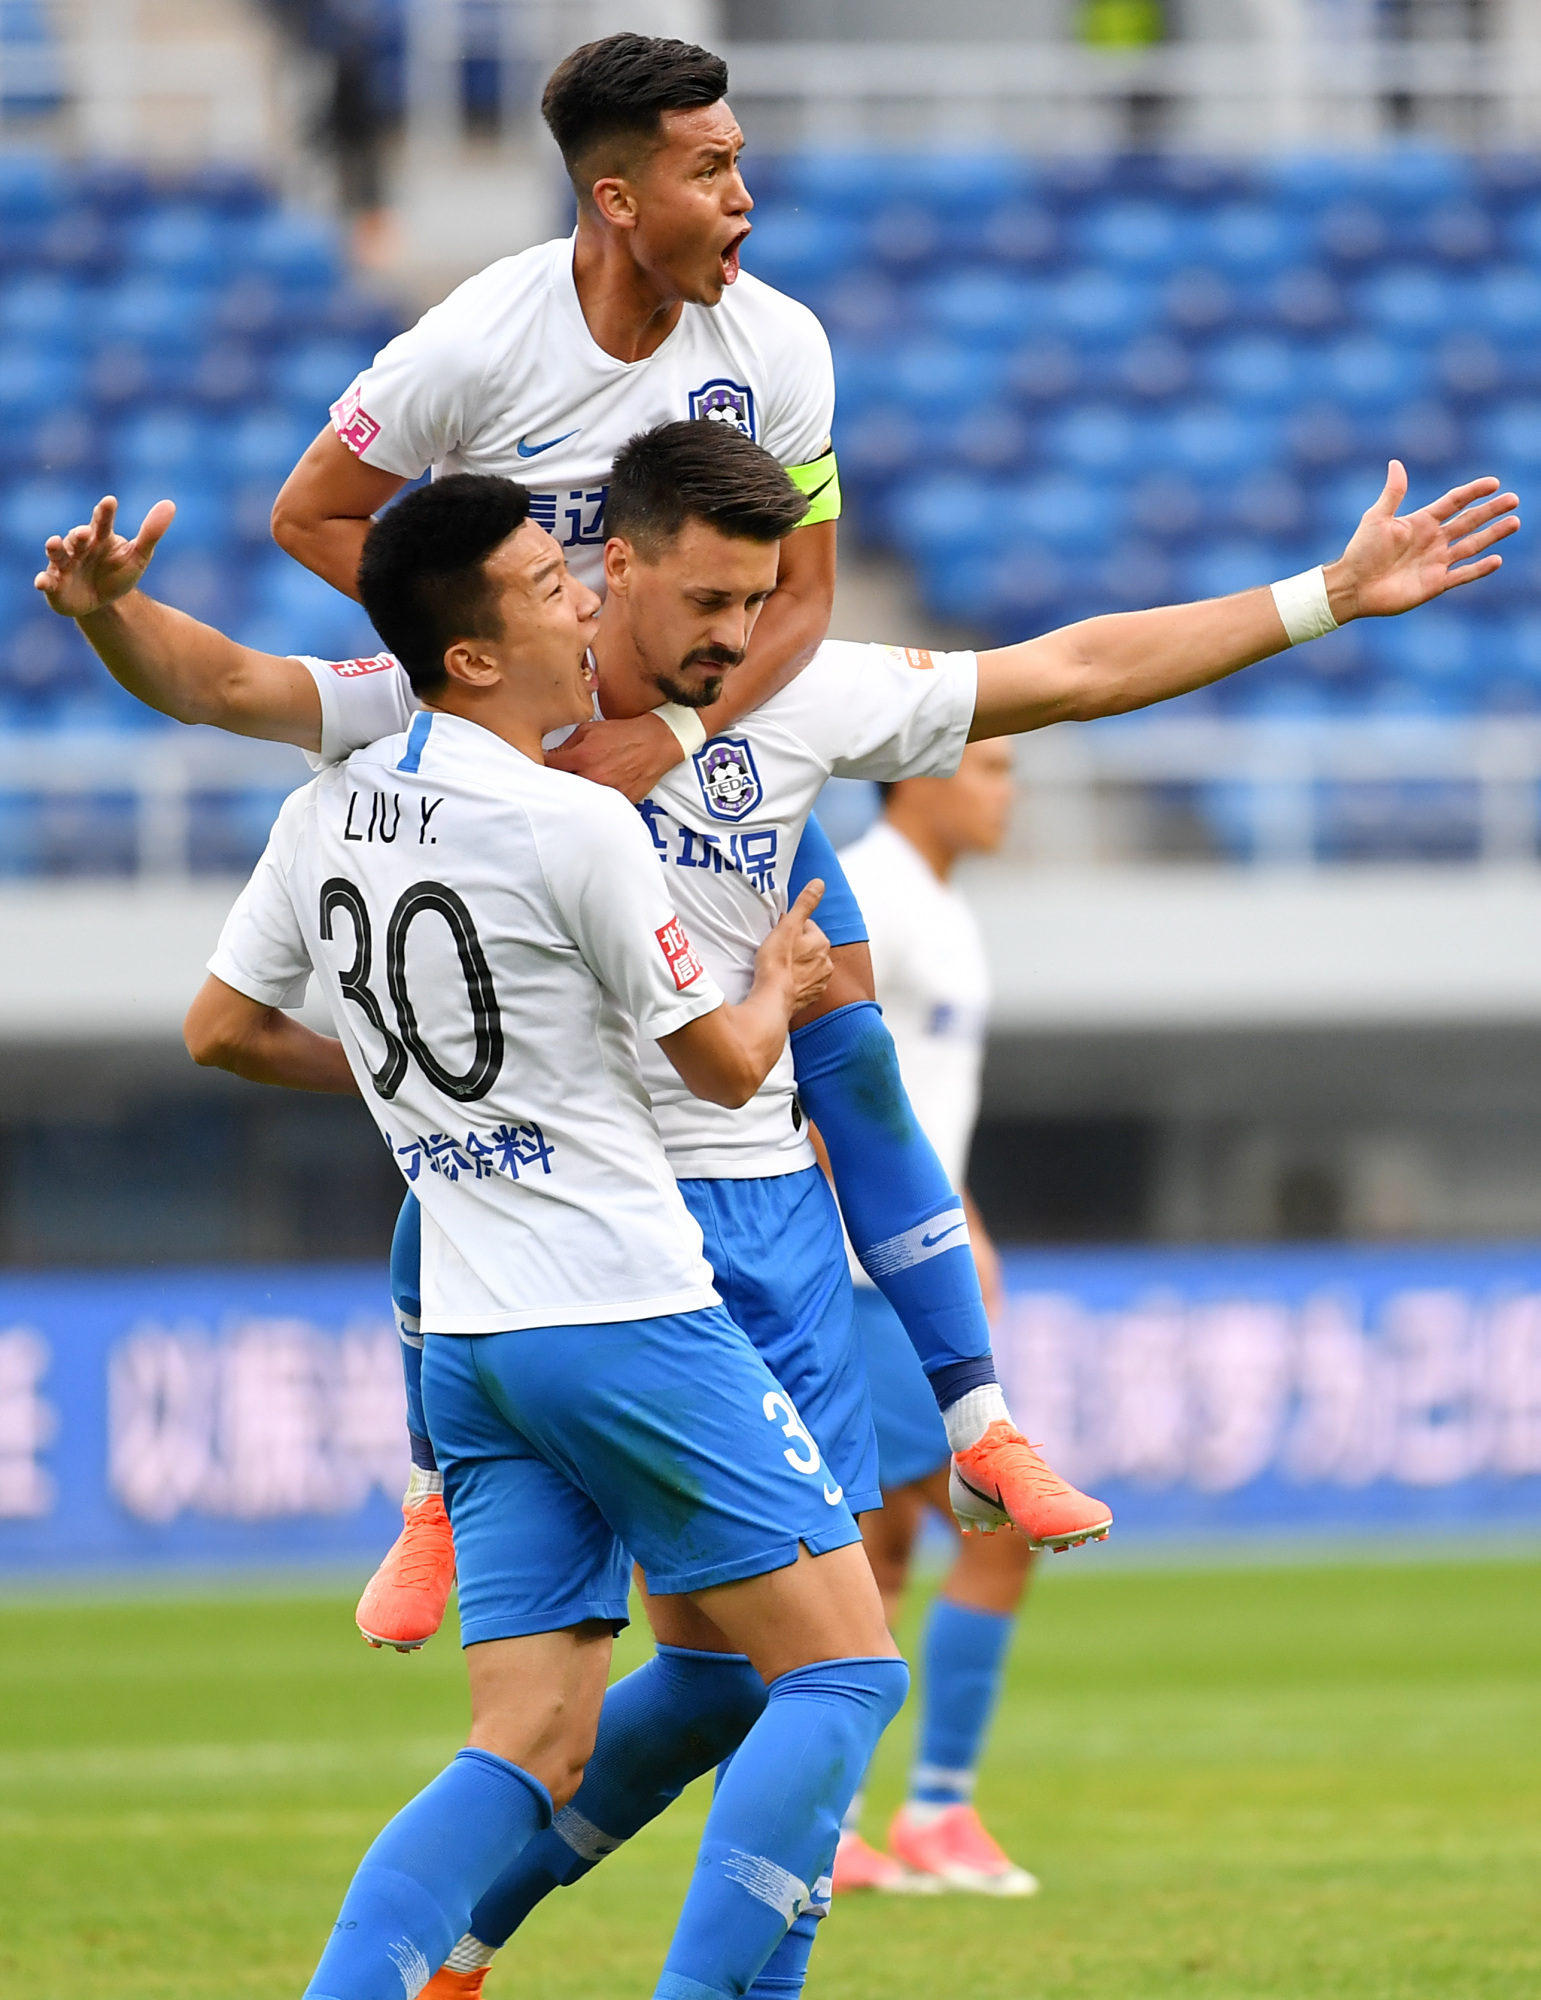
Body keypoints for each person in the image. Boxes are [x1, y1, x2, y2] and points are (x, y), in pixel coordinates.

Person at [39, 427, 1517, 1988]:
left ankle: (448, 1942)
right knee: (841, 1669)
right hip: (631, 1273)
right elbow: (221, 683)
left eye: (765, 599)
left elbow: (1073, 669)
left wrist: (1321, 596)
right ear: (608, 568)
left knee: (624, 1710)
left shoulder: (744, 708)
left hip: (639, 1267)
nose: (743, 634)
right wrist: (755, 992)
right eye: (707, 600)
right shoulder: (486, 745)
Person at [266, 30, 1033, 1650]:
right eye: (711, 168)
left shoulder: (781, 343)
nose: (746, 195)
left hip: (712, 756)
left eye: (740, 159)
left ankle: (981, 1421)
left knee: (851, 1050)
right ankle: (429, 1485)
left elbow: (803, 600)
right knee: (493, 1089)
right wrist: (505, 675)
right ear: (617, 198)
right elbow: (312, 516)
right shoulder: (477, 345)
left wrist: (674, 732)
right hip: (538, 788)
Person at [179, 469, 911, 2000]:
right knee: (842, 1669)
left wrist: (416, 1085)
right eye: (544, 585)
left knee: (525, 1740)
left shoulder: (323, 812)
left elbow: (222, 1030)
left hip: (471, 1344)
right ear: (470, 654)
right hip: (626, 1312)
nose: (585, 601)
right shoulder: (575, 822)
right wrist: (778, 982)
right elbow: (726, 1068)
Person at [830, 740, 1042, 1898]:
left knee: (880, 1550)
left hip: (899, 1270)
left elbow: (907, 1101)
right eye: (991, 766)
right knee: (996, 1526)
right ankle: (934, 1808)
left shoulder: (940, 906)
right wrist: (918, 1226)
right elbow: (815, 1081)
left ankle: (836, 1823)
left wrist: (964, 1216)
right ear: (914, 772)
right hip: (862, 1279)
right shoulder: (870, 891)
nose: (1008, 790)